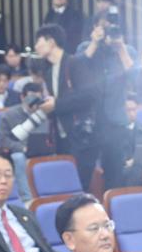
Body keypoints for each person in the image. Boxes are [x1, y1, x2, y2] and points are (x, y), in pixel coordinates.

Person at [38, 23, 128, 191]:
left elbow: (89, 95)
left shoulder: (74, 62)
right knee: (67, 187)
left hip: (82, 137)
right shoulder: (49, 71)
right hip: (63, 137)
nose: (36, 46)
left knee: (80, 187)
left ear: (51, 42)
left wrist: (56, 104)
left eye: (39, 42)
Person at [0, 81, 53, 201]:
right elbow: (3, 140)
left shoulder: (45, 114)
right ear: (22, 97)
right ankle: (27, 198)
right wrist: (21, 148)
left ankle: (50, 196)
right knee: (18, 157)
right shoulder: (9, 115)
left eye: (38, 98)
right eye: (31, 98)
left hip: (42, 150)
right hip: (19, 151)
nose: (34, 102)